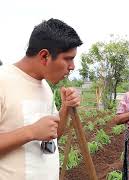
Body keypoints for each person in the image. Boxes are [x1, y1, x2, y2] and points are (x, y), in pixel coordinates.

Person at [0, 18, 82, 180]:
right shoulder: (3, 81)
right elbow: (35, 131)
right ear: (44, 56)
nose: (72, 66)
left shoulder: (45, 86)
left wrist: (65, 107)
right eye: (68, 58)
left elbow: (52, 134)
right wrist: (30, 131)